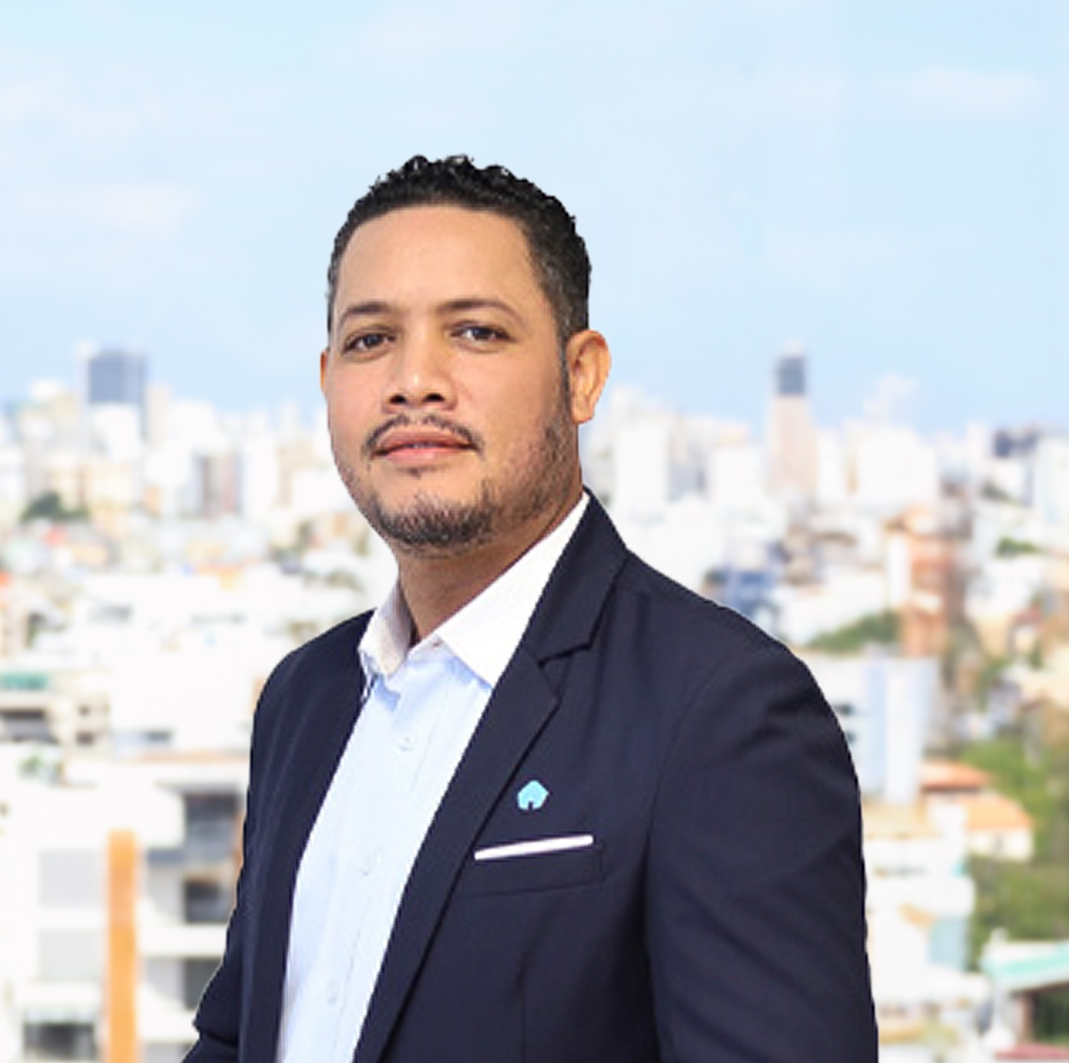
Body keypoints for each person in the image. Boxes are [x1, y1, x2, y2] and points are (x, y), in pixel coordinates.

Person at [185, 156, 877, 1063]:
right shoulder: (304, 699)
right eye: (370, 340)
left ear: (581, 376)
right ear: (326, 382)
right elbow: (240, 1037)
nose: (414, 380)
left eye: (475, 332)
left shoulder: (720, 712)